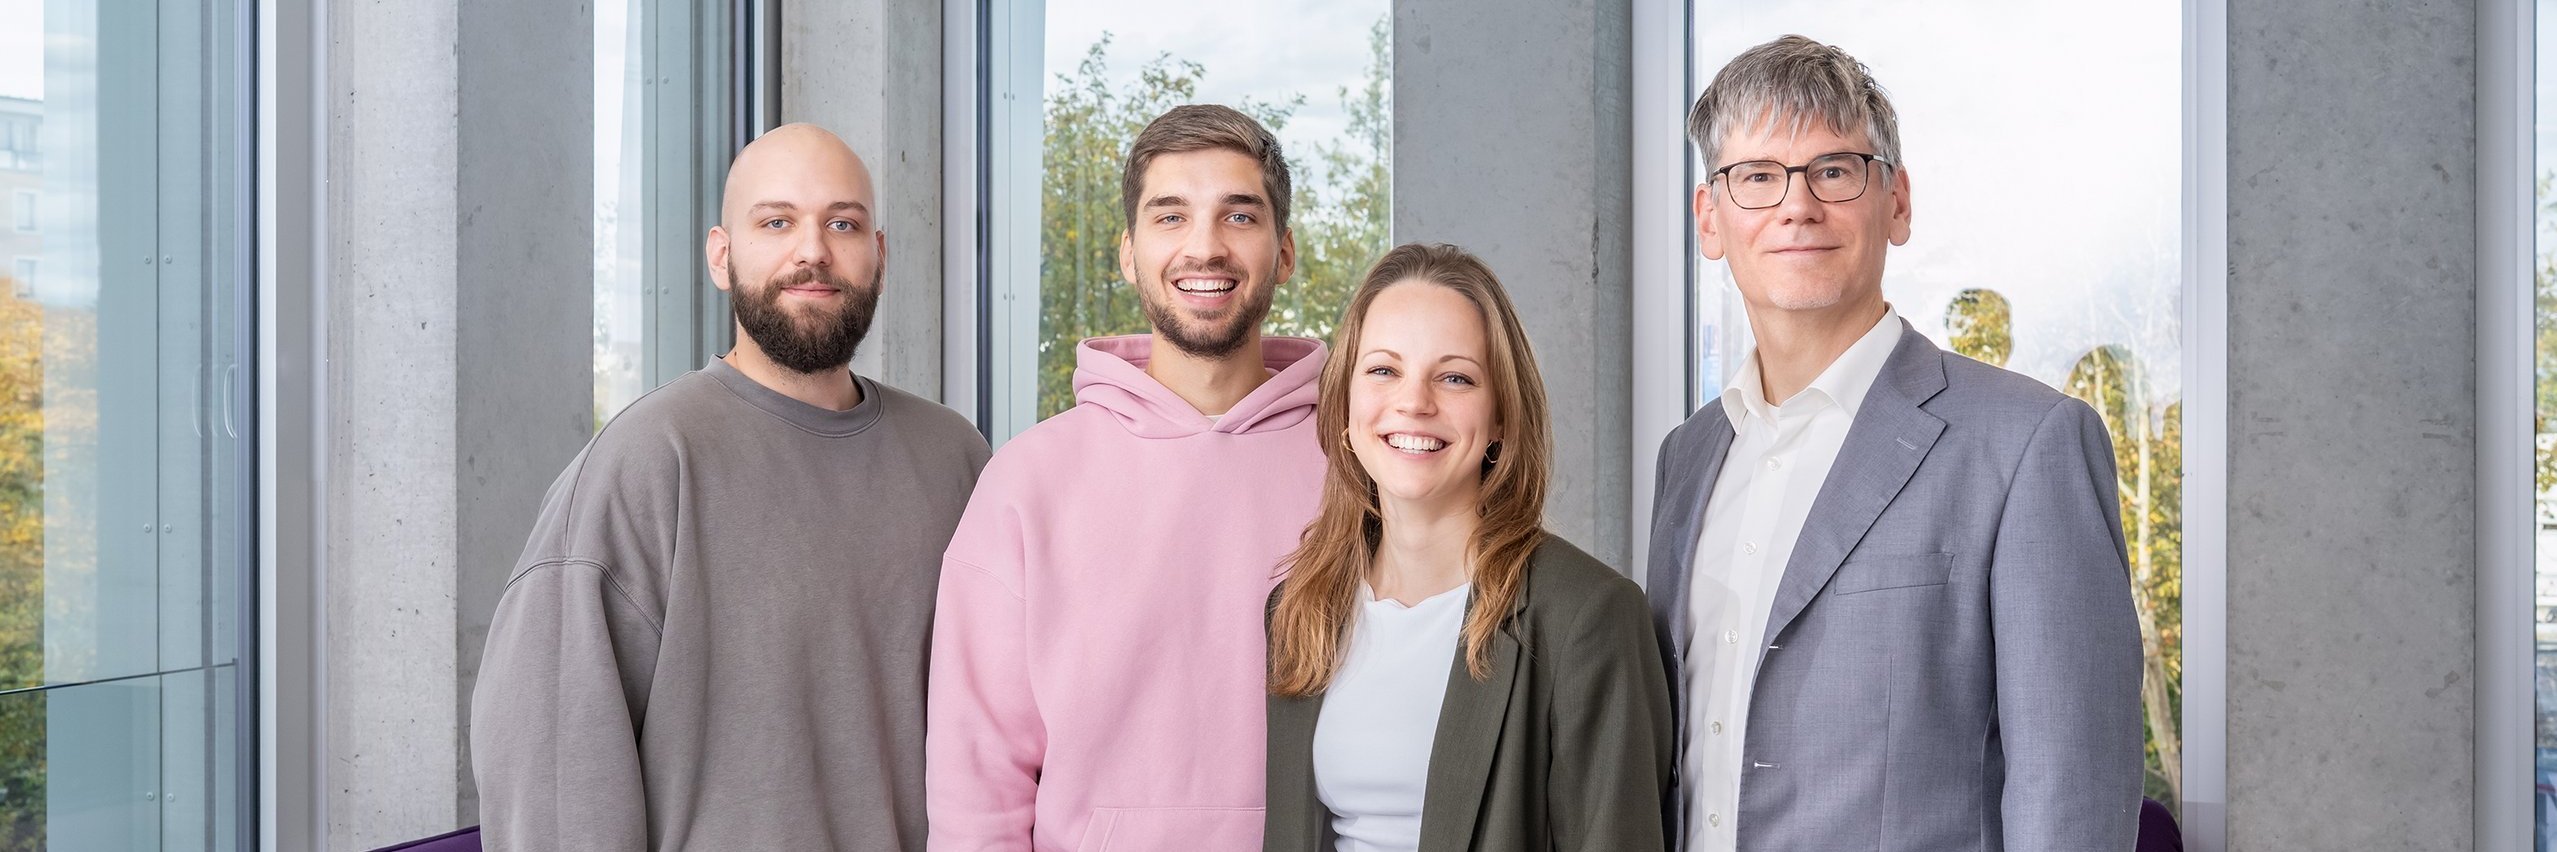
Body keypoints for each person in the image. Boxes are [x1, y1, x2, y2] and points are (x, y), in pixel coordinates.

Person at [1646, 35, 2143, 851]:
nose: (1795, 206)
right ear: (1711, 219)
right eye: (1757, 177)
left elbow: (2072, 798)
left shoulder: (2027, 447)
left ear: (1897, 203)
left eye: (1833, 171)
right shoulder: (1689, 456)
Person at [470, 124, 990, 851]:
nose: (812, 249)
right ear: (722, 256)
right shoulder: (646, 465)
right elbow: (553, 782)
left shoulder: (953, 456)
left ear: (879, 254)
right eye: (776, 222)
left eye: (843, 223)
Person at [927, 104, 1327, 851]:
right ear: (1127, 252)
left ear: (1284, 251)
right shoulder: (1027, 482)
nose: (1204, 248)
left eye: (1238, 216)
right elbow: (975, 788)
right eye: (1170, 217)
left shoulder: (1358, 472)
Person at [1262, 243, 1673, 852]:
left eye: (1454, 377)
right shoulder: (1299, 609)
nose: (1414, 402)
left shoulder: (1589, 616)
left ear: (1502, 416)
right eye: (1383, 370)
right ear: (1346, 407)